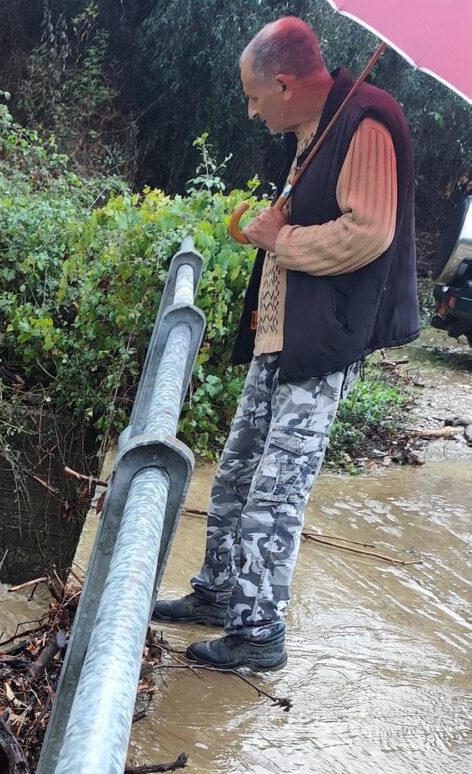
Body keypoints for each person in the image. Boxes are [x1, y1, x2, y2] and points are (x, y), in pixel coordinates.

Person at [153, 16, 419, 670]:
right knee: (238, 472)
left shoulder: (368, 122)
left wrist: (284, 241)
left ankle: (258, 633)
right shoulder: (319, 126)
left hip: (323, 342)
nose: (250, 110)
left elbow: (369, 233)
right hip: (282, 334)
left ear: (283, 81)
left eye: (254, 96)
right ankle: (219, 594)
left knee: (276, 493)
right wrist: (275, 229)